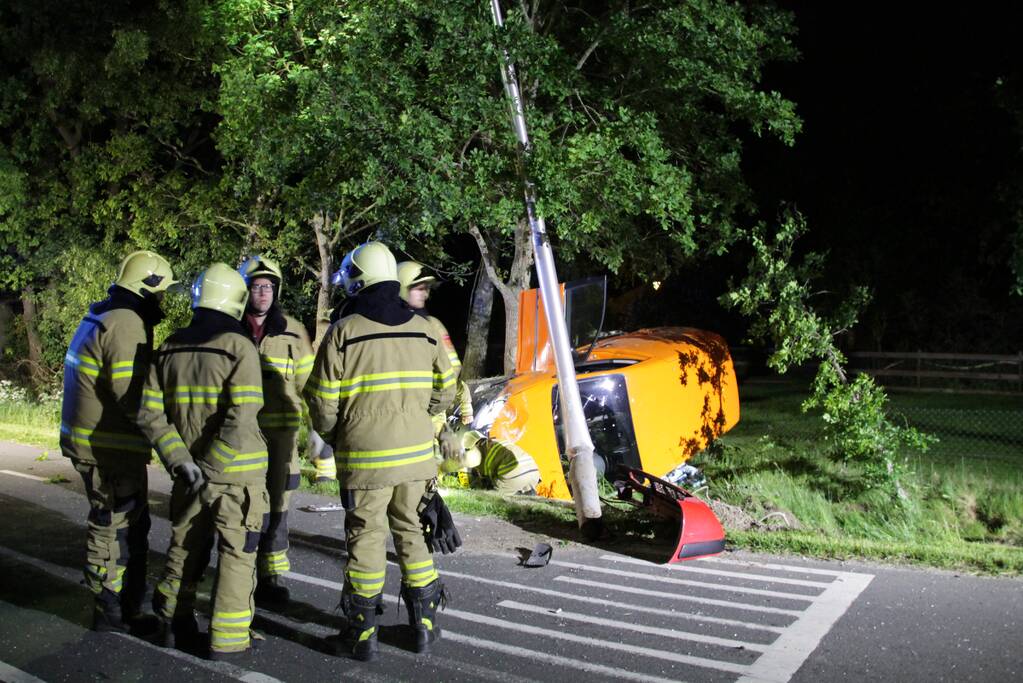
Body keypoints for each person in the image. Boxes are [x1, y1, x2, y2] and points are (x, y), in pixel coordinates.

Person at [305, 242, 456, 661]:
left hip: (364, 460)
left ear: (358, 280)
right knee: (410, 531)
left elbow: (320, 402)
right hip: (415, 460)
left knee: (367, 539)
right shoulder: (425, 330)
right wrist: (417, 417)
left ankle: (361, 635)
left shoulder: (343, 333)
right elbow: (447, 390)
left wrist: (341, 434)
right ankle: (424, 626)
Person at [137, 263, 269, 660]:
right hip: (235, 475)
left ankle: (170, 625)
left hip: (190, 473)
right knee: (236, 553)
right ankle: (226, 642)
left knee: (183, 547)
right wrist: (212, 467)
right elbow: (242, 414)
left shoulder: (171, 345)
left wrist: (182, 462)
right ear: (236, 300)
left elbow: (149, 413)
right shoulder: (239, 345)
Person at [60, 250, 176, 633]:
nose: (163, 301)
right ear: (149, 288)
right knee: (114, 526)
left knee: (126, 523)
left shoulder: (104, 313)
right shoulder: (127, 323)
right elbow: (134, 397)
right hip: (109, 449)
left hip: (98, 443)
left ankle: (121, 604)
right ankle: (110, 607)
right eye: (162, 294)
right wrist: (172, 443)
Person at [238, 255, 315, 605]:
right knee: (242, 504)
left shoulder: (294, 331)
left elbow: (311, 385)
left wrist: (318, 432)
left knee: (278, 506)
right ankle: (240, 572)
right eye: (256, 286)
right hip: (240, 435)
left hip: (281, 439)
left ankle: (271, 575)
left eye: (269, 286)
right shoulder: (230, 329)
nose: (263, 293)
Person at [396, 260, 473, 426]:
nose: (425, 294)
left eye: (426, 289)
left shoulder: (433, 325)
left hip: (429, 417)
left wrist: (433, 406)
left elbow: (453, 368)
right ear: (403, 288)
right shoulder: (386, 327)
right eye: (419, 289)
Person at [438, 425, 541, 496]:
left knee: (496, 498)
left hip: (513, 475)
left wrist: (441, 467)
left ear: (472, 445)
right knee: (526, 495)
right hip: (534, 471)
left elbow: (462, 461)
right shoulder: (495, 442)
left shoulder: (478, 451)